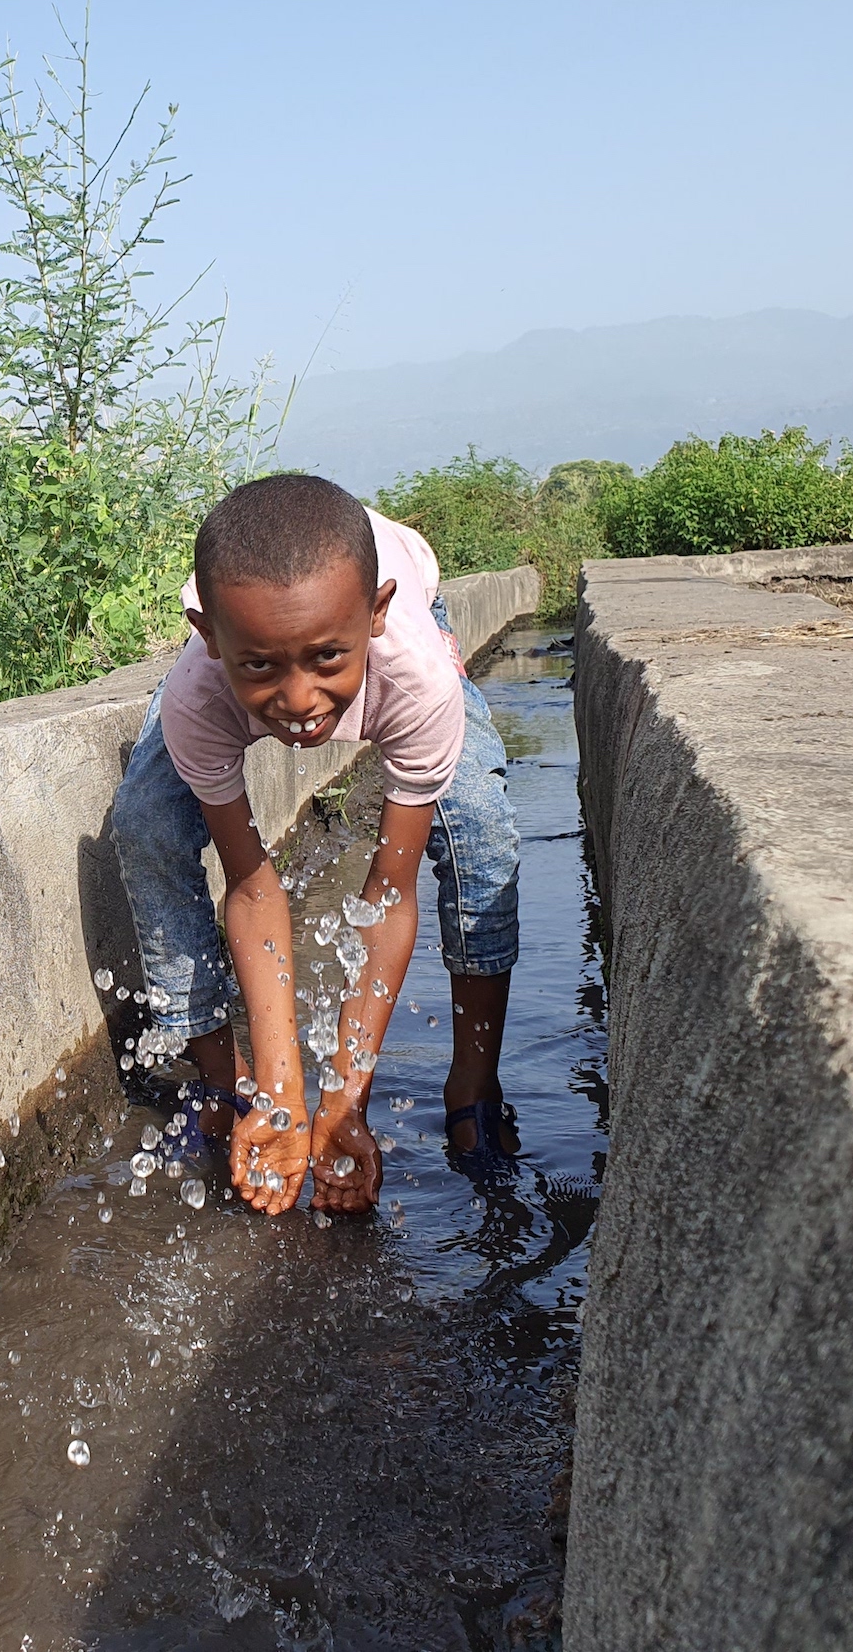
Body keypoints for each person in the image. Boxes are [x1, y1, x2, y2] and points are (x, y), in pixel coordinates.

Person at [108, 474, 521, 1215]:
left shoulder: (412, 674)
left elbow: (388, 895)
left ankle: (473, 1078)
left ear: (374, 617)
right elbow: (254, 885)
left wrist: (344, 1095)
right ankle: (222, 1087)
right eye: (262, 668)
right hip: (270, 628)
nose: (299, 703)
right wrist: (281, 1084)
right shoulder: (202, 691)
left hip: (402, 616)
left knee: (481, 824)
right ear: (209, 639)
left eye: (327, 661)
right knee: (144, 817)